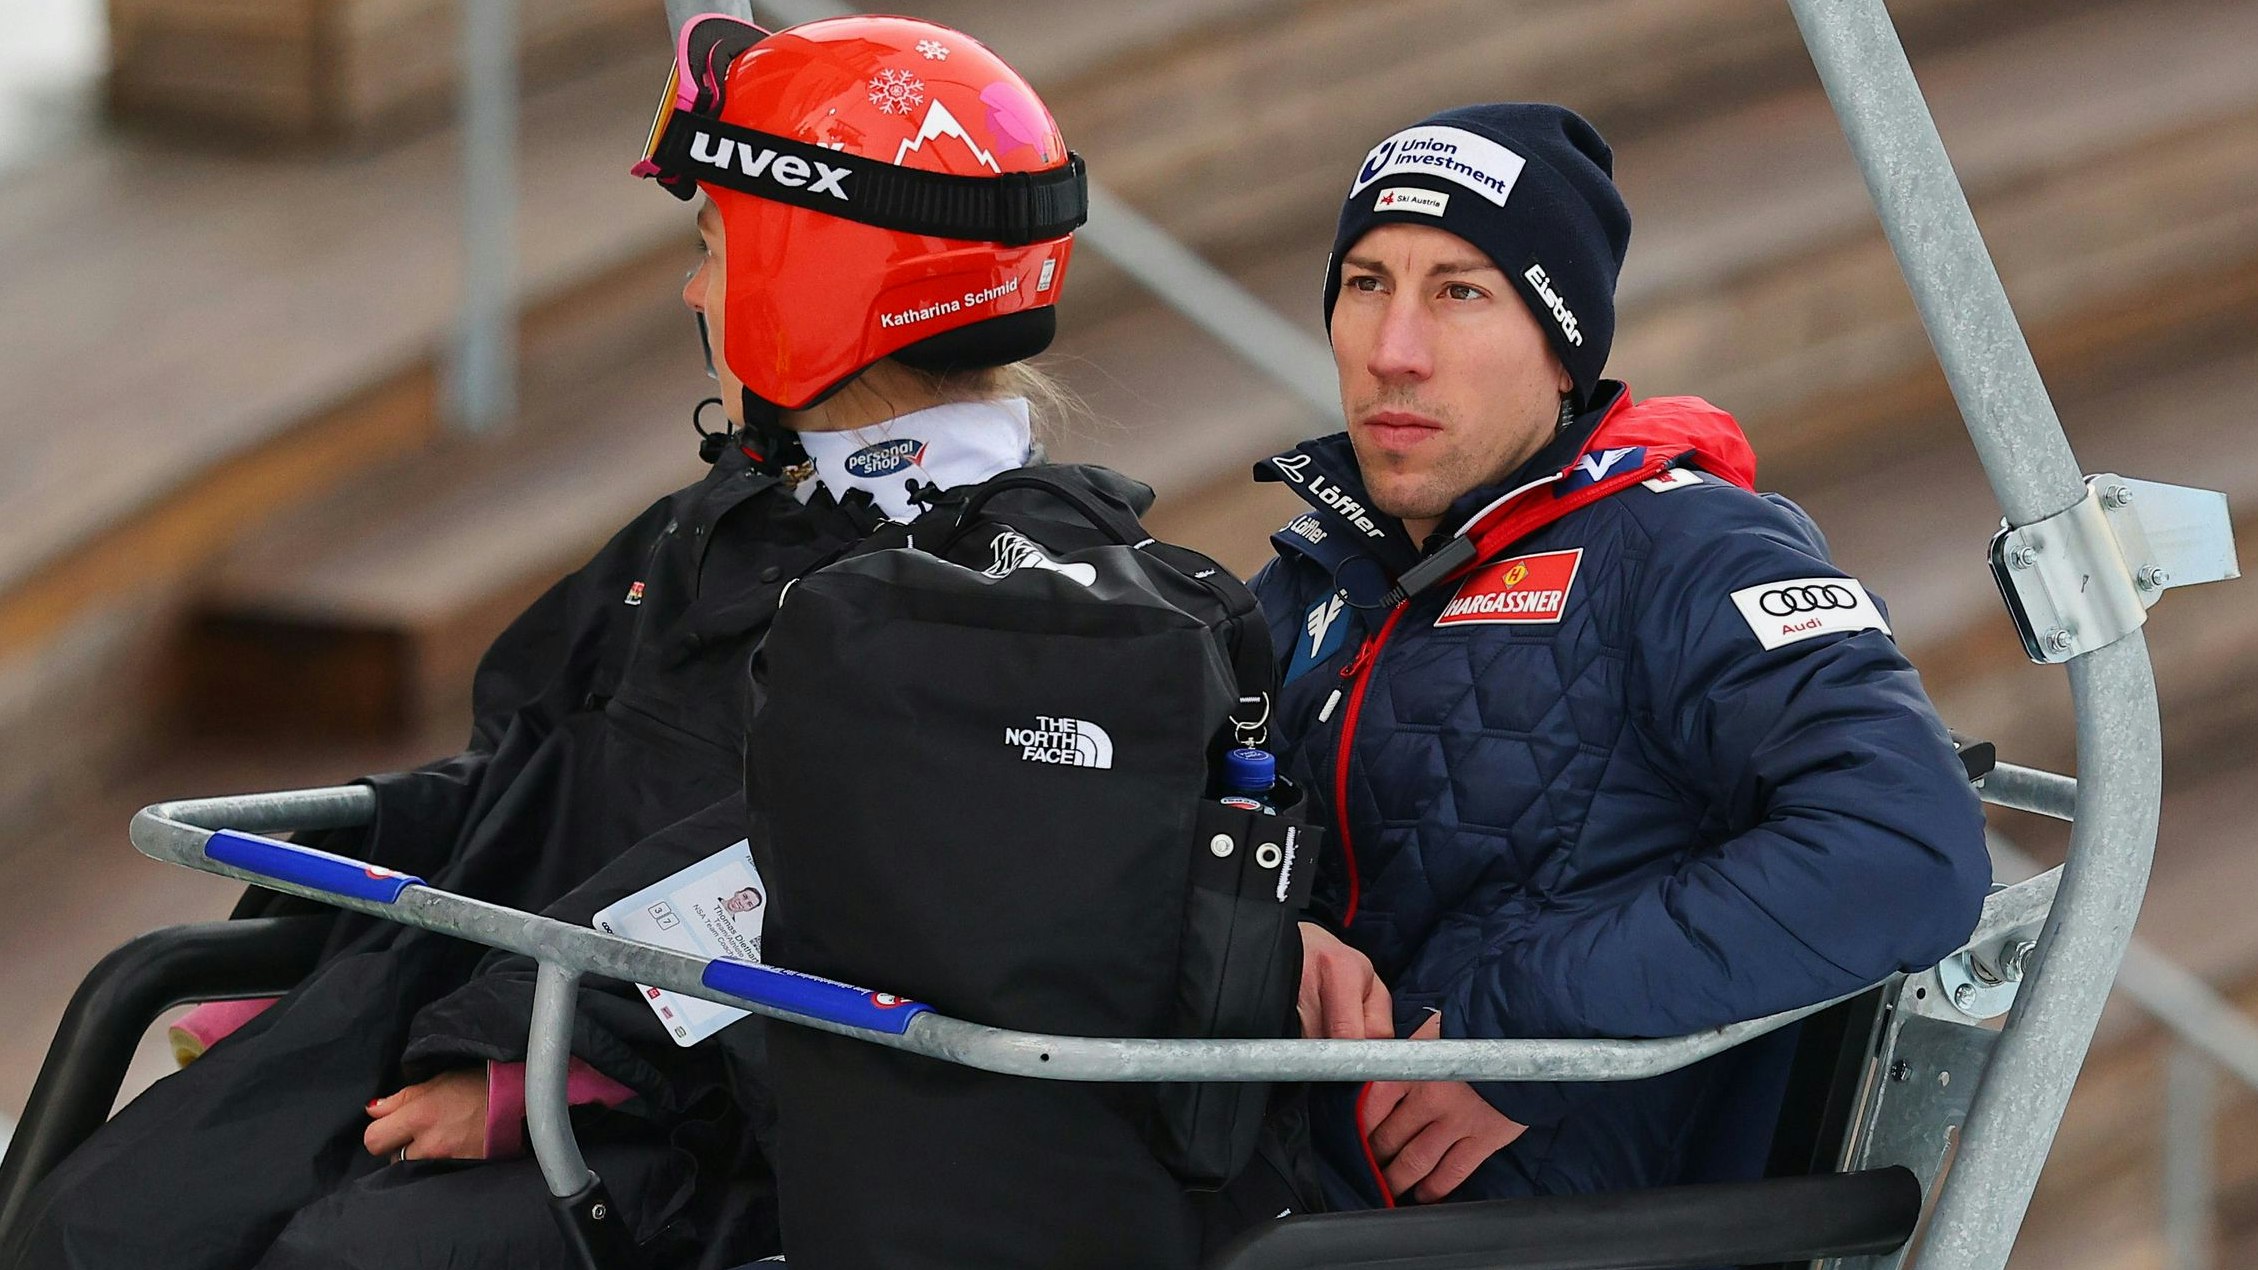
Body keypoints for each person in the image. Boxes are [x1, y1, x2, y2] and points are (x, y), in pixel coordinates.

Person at [5, 14, 1096, 1268]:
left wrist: (551, 1069)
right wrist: (333, 935)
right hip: (497, 1018)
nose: (692, 289)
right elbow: (535, 768)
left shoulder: (1013, 598)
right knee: (105, 1223)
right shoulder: (712, 526)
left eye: (713, 248)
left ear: (818, 281)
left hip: (720, 1121)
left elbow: (812, 886)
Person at [1251, 103, 1993, 1210]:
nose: (1391, 351)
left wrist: (1526, 1037)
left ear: (1560, 348)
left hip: (1494, 1237)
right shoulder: (1324, 564)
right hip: (1255, 1178)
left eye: (1459, 291)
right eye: (1365, 283)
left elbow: (1901, 841)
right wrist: (1266, 934)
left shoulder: (1685, 548)